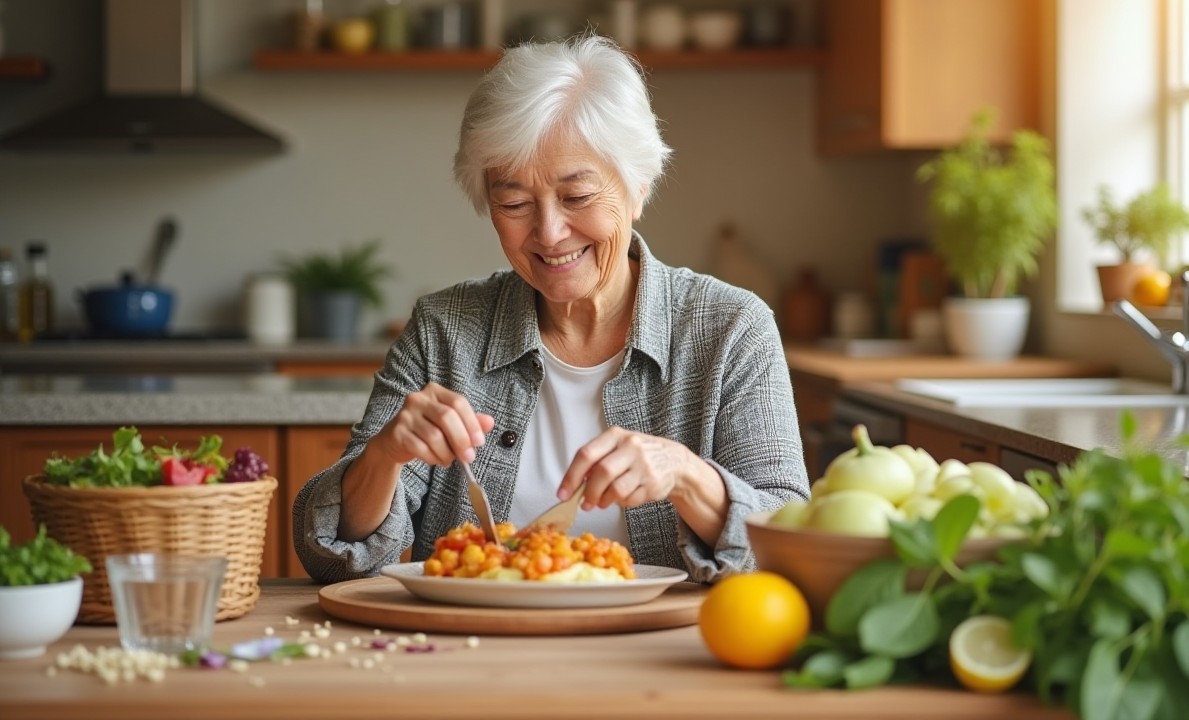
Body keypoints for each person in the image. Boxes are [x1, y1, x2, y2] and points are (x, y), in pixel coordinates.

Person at [293, 35, 810, 584]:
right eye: (513, 203)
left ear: (638, 186)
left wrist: (685, 476)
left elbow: (789, 544)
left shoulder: (731, 328)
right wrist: (382, 458)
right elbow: (327, 557)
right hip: (473, 656)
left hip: (672, 657)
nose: (548, 233)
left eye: (578, 196)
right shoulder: (444, 330)